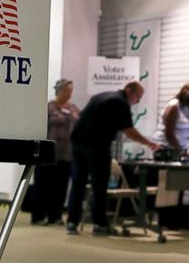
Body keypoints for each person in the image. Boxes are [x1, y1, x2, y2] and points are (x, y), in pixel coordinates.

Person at [66, 81, 160, 235]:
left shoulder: (100, 96)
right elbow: (129, 131)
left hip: (78, 143)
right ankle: (100, 224)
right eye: (138, 97)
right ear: (129, 90)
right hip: (97, 146)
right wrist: (149, 143)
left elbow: (81, 116)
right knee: (99, 186)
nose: (137, 101)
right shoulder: (120, 103)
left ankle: (72, 222)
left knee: (78, 184)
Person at [32, 79, 80, 225]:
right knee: (43, 184)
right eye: (67, 90)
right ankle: (38, 216)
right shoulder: (48, 107)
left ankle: (55, 216)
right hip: (48, 153)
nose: (69, 93)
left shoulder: (73, 108)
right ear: (59, 90)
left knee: (60, 186)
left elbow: (80, 123)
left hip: (66, 153)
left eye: (71, 90)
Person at [151, 81, 189, 159]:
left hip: (179, 150)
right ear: (188, 95)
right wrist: (181, 152)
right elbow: (169, 134)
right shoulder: (174, 106)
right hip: (166, 149)